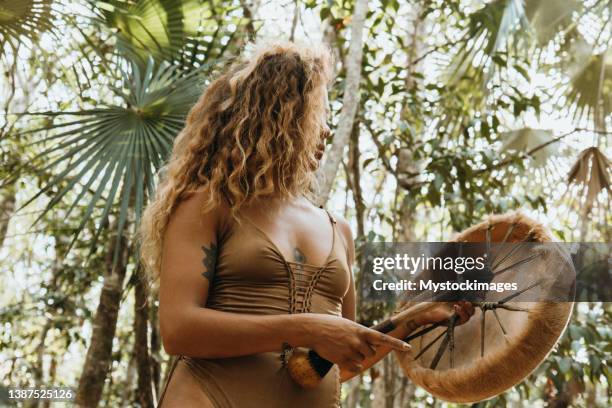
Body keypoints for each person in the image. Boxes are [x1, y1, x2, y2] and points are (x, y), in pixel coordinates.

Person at [140, 41, 474, 408]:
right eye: (318, 113)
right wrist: (305, 328)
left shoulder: (338, 230)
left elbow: (336, 362)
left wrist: (413, 318)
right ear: (278, 116)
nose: (327, 130)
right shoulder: (208, 204)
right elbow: (178, 330)